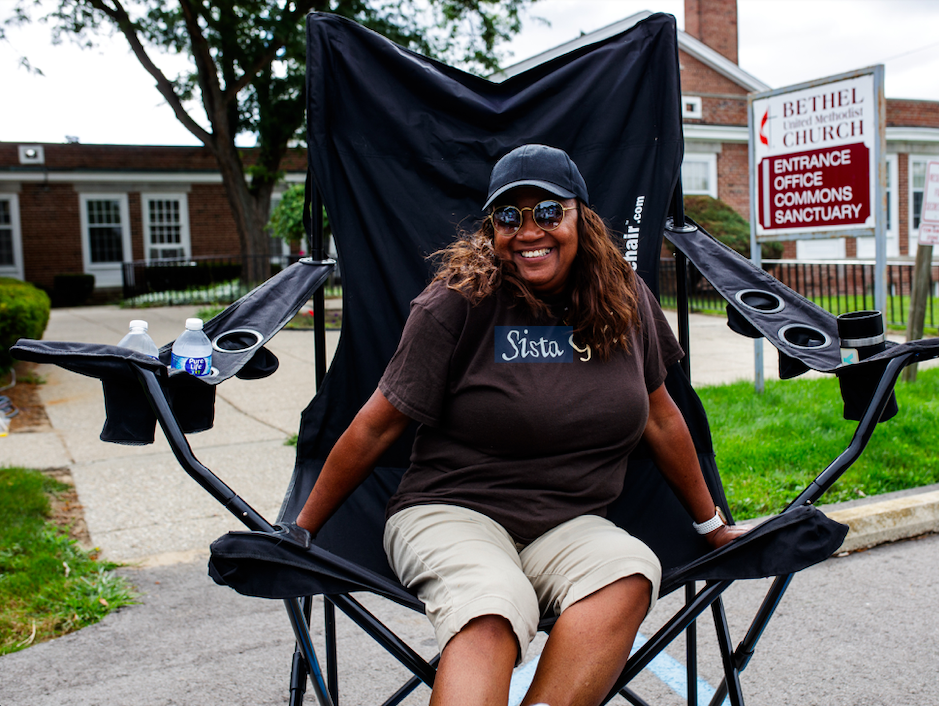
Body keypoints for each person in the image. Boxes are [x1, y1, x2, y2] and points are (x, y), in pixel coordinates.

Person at [292, 144, 745, 706]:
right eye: (510, 216)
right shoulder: (458, 301)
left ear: (582, 216)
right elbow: (377, 427)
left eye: (549, 212)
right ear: (491, 230)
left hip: (569, 523)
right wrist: (302, 528)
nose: (530, 231)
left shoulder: (625, 298)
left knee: (631, 572)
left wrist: (712, 527)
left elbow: (660, 416)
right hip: (452, 510)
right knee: (490, 605)